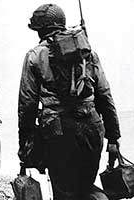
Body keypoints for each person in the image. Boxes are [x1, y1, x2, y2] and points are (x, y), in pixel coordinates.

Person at [18, 4, 121, 200]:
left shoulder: (34, 56)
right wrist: (114, 138)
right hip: (92, 128)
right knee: (85, 185)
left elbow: (26, 106)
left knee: (64, 191)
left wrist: (25, 145)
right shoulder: (87, 53)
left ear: (41, 29)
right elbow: (105, 96)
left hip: (57, 133)